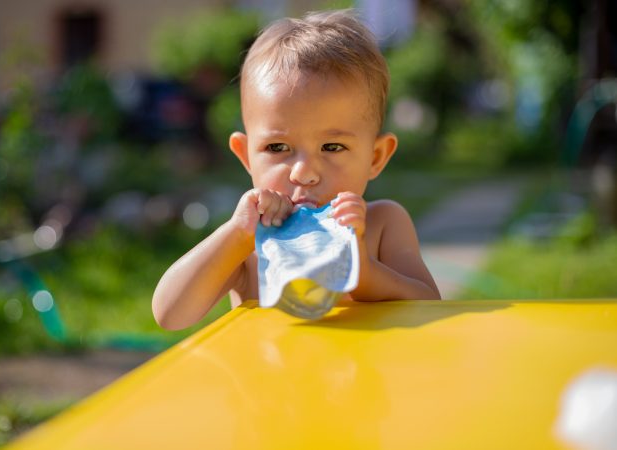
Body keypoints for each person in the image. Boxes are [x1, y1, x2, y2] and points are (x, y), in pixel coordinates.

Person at [153, 9, 440, 330]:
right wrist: (235, 235)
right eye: (277, 148)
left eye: (332, 147)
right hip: (268, 379)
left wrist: (364, 273)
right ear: (246, 155)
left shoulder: (383, 224)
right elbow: (170, 315)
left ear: (375, 157)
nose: (303, 173)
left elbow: (430, 305)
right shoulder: (250, 244)